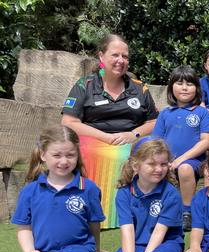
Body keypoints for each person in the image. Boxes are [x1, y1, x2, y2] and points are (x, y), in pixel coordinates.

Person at [61, 33, 158, 231]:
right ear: (101, 56)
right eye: (115, 55)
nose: (121, 61)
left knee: (138, 155)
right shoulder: (84, 86)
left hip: (130, 140)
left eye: (125, 56)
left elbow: (155, 120)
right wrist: (104, 137)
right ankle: (93, 216)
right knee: (94, 154)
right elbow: (69, 121)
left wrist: (134, 134)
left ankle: (133, 216)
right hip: (94, 141)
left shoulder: (140, 88)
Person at [152, 65, 209, 231]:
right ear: (171, 87)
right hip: (168, 161)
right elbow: (157, 141)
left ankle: (187, 212)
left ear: (197, 88)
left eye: (189, 84)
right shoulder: (165, 113)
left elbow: (206, 141)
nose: (185, 87)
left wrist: (181, 159)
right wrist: (164, 161)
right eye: (179, 83)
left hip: (194, 162)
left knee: (185, 168)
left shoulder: (201, 113)